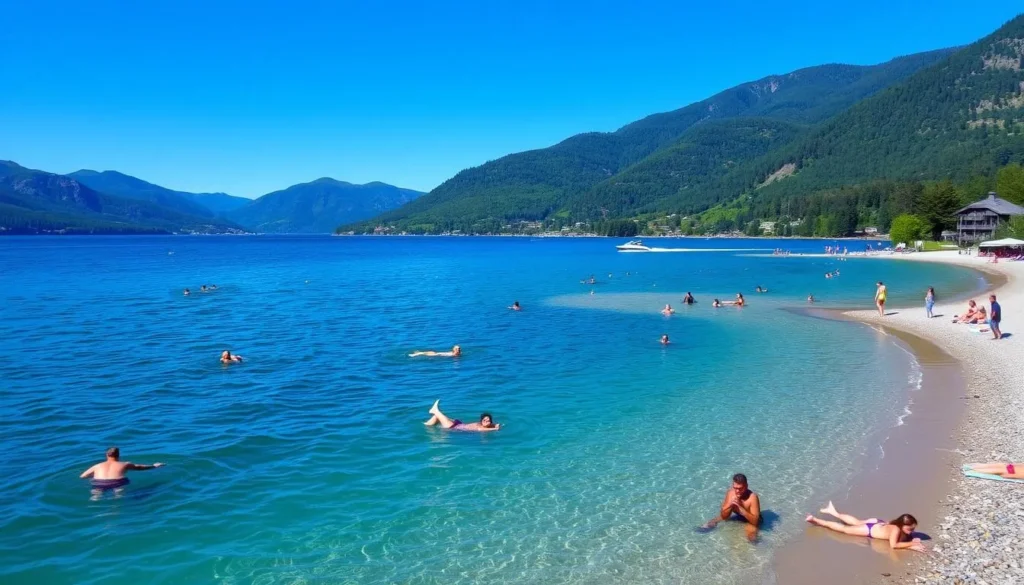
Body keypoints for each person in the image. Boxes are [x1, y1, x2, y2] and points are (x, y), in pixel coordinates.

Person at [805, 501, 925, 552]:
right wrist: (912, 544)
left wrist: (912, 539)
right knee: (843, 529)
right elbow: (894, 546)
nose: (912, 532)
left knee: (856, 521)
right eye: (910, 529)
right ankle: (815, 520)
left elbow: (902, 539)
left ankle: (833, 512)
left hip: (877, 523)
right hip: (869, 529)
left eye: (913, 529)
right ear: (901, 525)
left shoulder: (896, 525)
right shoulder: (895, 529)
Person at [701, 473, 762, 541]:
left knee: (751, 538)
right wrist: (729, 505)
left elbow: (755, 521)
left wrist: (742, 510)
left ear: (746, 486)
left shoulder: (752, 497)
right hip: (739, 517)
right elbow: (724, 516)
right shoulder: (730, 493)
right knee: (713, 521)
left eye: (740, 488)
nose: (737, 491)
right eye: (735, 488)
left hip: (751, 520)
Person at [80, 447, 164, 495]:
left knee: (96, 497)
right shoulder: (125, 464)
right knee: (118, 497)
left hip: (98, 482)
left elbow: (83, 476)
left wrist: (97, 476)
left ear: (106, 455)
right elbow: (140, 467)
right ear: (118, 455)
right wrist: (154, 466)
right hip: (117, 482)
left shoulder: (97, 466)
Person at [423, 400, 500, 432]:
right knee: (438, 414)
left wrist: (496, 425)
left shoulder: (486, 425)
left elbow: (491, 425)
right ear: (481, 421)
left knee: (438, 417)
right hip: (454, 426)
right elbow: (480, 429)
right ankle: (434, 410)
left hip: (457, 425)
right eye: (484, 420)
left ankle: (427, 425)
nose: (486, 421)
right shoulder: (481, 427)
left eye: (488, 420)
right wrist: (494, 429)